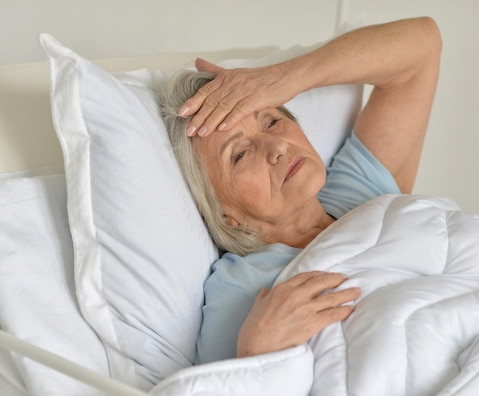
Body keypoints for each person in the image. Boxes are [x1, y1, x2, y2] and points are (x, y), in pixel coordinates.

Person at [158, 17, 442, 364]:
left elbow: (422, 46)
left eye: (272, 121)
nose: (276, 146)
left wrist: (286, 78)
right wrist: (254, 353)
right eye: (241, 154)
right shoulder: (242, 285)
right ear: (222, 214)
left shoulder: (360, 193)